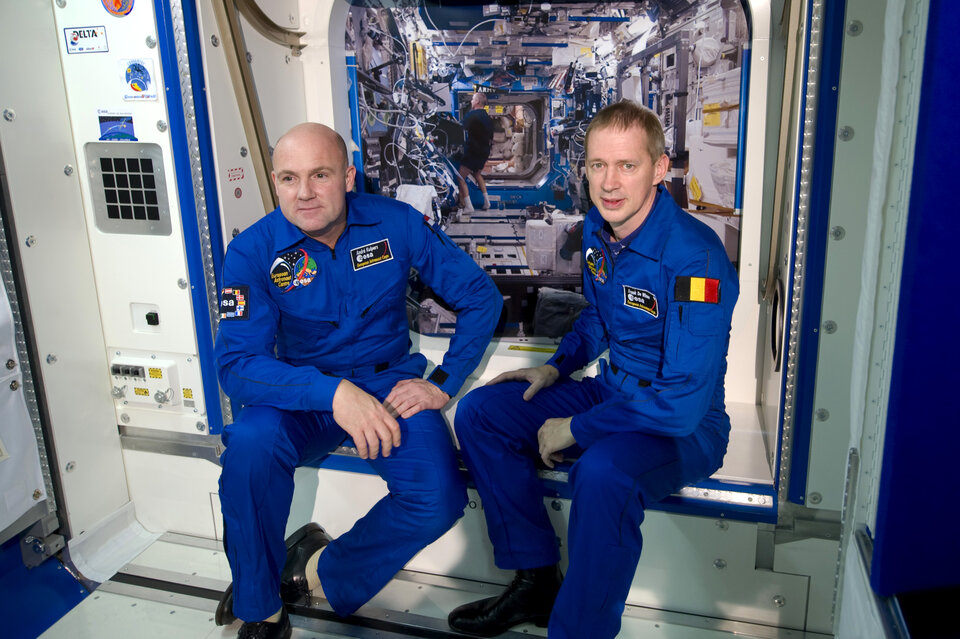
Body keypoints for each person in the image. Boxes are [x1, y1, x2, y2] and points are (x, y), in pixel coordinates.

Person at [447, 101, 739, 638]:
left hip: (686, 425)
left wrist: (576, 428)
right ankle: (535, 578)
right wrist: (555, 369)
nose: (610, 182)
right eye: (598, 164)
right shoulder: (599, 231)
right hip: (612, 393)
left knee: (601, 473)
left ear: (659, 167)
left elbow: (679, 406)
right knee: (481, 412)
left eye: (627, 166)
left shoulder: (695, 261)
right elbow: (600, 324)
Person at [214, 123, 502, 639]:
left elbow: (481, 297)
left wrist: (443, 381)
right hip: (302, 393)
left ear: (347, 177)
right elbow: (237, 365)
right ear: (275, 181)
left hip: (390, 388)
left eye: (320, 175)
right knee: (249, 447)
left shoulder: (398, 225)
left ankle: (319, 569)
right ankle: (260, 607)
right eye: (289, 178)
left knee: (438, 496)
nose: (304, 193)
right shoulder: (252, 253)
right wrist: (332, 393)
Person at [457, 92, 494, 212]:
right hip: (484, 152)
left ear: (477, 102)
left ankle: (468, 206)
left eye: (473, 99)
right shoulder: (487, 117)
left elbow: (460, 127)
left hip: (473, 151)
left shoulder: (472, 115)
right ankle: (487, 202)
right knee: (477, 174)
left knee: (460, 176)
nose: (471, 102)